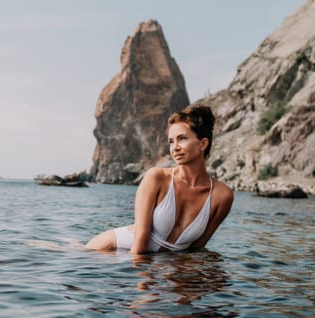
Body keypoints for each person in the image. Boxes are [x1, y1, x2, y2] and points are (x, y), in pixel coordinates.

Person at [85, 104, 234, 254]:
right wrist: (140, 276)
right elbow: (140, 244)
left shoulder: (222, 196)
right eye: (171, 141)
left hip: (160, 263)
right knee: (69, 251)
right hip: (111, 251)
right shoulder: (157, 177)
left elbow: (197, 250)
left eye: (182, 139)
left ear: (203, 144)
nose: (175, 147)